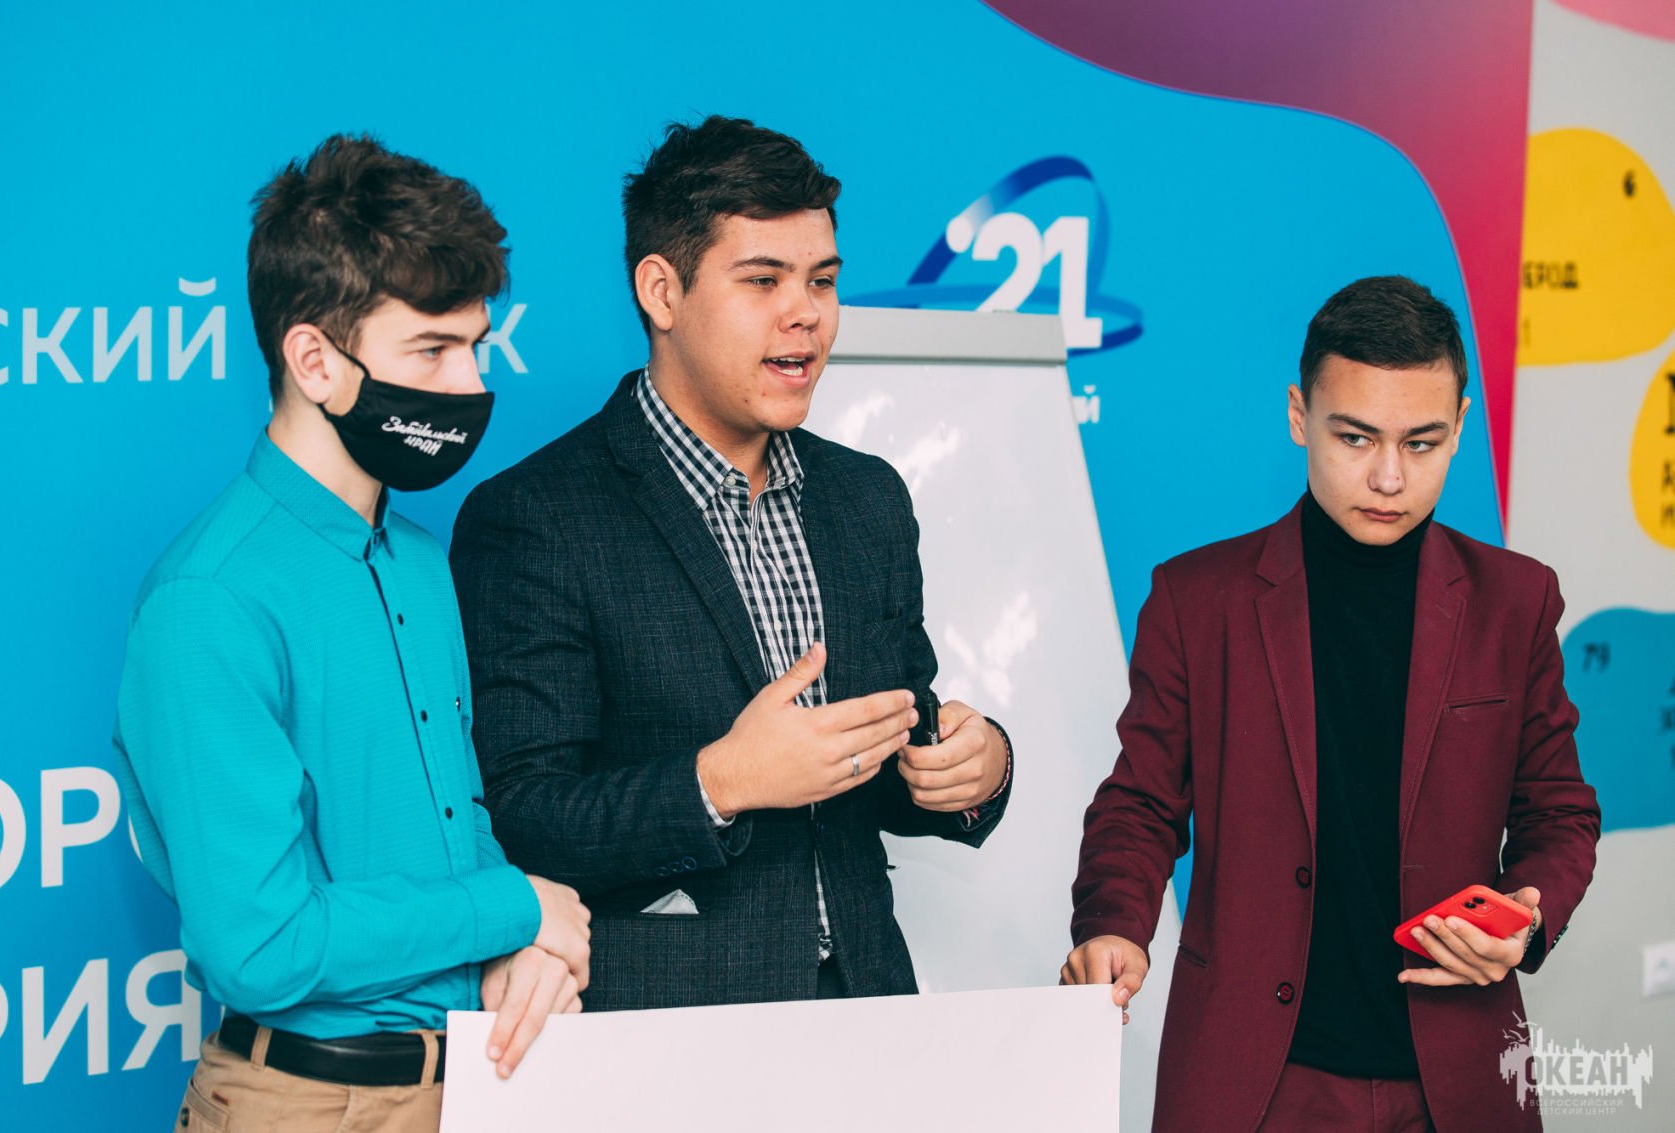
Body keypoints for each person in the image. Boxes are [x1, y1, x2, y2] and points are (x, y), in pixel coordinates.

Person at [450, 115, 1013, 1009]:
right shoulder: (537, 517)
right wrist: (722, 781)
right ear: (661, 291)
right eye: (762, 280)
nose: (805, 313)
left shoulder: (866, 498)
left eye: (822, 280)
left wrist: (970, 770)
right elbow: (521, 818)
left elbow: (896, 744)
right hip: (670, 1032)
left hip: (868, 1009)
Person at [113, 134, 590, 1133]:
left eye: (477, 345)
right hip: (306, 1104)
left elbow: (454, 822)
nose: (470, 383)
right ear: (314, 360)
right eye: (432, 350)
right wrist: (513, 906)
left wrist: (520, 944)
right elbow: (261, 944)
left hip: (476, 1083)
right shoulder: (209, 598)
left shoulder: (418, 558)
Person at [1064, 276, 1600, 1131]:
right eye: (1355, 437)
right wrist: (1114, 923)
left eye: (1421, 443)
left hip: (1460, 1076)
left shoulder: (1517, 600)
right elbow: (1142, 801)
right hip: (1255, 1078)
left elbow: (1559, 813)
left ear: (1461, 425)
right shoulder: (1196, 600)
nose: (1388, 476)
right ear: (1298, 416)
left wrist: (1523, 920)